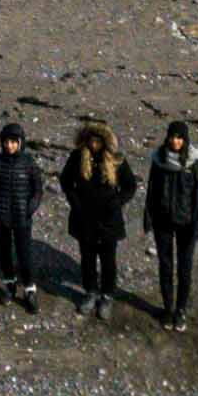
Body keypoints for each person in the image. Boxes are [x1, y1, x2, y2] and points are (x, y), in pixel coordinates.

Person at [61, 119, 135, 315]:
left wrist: (117, 202)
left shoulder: (116, 160)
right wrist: (74, 202)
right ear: (86, 140)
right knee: (87, 258)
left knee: (108, 260)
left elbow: (130, 186)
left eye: (98, 141)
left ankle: (107, 296)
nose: (94, 145)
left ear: (104, 142)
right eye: (91, 140)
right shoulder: (77, 157)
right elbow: (66, 181)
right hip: (83, 218)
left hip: (109, 220)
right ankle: (91, 292)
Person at [144, 120, 198, 324]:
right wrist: (148, 217)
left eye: (180, 137)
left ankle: (180, 310)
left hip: (187, 223)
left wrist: (197, 226)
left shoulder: (194, 162)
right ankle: (167, 308)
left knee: (184, 267)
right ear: (168, 137)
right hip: (163, 221)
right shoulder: (159, 159)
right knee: (165, 265)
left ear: (185, 139)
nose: (176, 141)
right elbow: (151, 190)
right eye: (173, 136)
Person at [0, 121, 46, 304]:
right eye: (6, 142)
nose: (10, 146)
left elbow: (37, 189)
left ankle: (29, 288)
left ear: (20, 142)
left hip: (22, 218)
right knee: (4, 252)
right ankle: (9, 285)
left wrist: (30, 208)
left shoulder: (29, 163)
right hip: (0, 219)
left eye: (14, 142)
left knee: (25, 253)